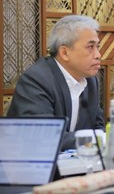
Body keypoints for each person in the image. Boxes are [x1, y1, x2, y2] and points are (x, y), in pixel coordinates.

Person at [8, 15, 105, 150]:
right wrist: (95, 138)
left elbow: (98, 126)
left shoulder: (90, 81)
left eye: (97, 47)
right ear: (65, 52)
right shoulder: (37, 80)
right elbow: (45, 136)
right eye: (90, 47)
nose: (98, 55)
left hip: (76, 165)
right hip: (35, 166)